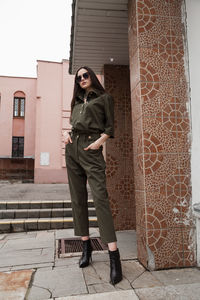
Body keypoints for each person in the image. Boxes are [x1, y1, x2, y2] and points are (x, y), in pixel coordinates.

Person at [63, 66, 122, 285]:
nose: (82, 79)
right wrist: (67, 136)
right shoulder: (77, 101)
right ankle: (85, 248)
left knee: (100, 199)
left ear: (92, 77)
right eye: (78, 78)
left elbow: (109, 127)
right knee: (77, 200)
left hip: (92, 148)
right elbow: (74, 125)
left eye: (85, 75)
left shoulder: (105, 98)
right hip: (73, 150)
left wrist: (98, 143)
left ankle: (114, 256)